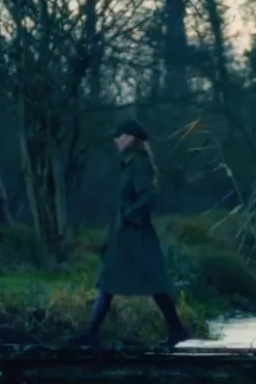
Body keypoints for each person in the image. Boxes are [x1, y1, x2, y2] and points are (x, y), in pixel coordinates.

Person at [69, 118, 190, 348]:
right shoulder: (129, 162)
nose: (116, 139)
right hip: (126, 234)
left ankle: (177, 330)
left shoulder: (138, 163)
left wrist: (129, 217)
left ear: (131, 138)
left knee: (151, 281)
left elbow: (148, 197)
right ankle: (91, 332)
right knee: (111, 281)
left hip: (135, 235)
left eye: (120, 135)